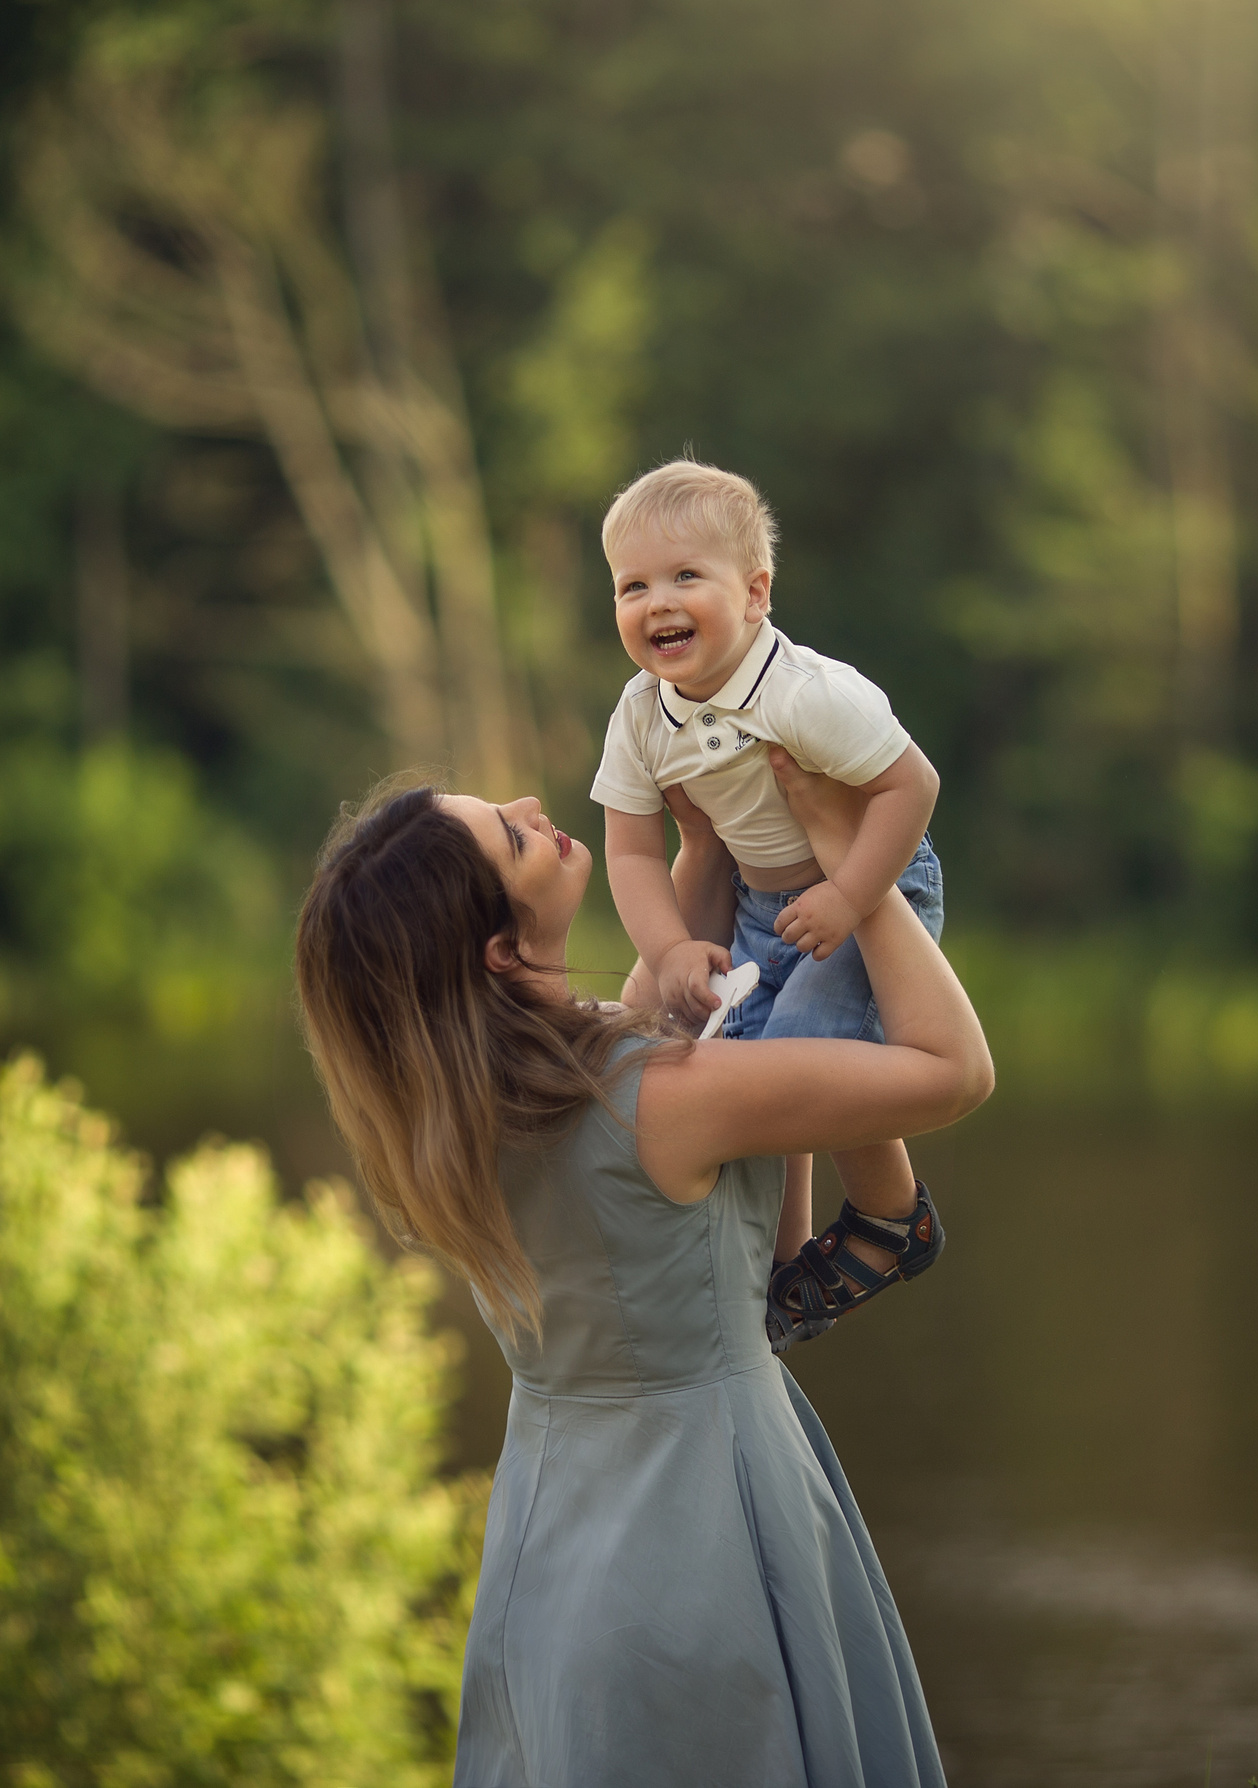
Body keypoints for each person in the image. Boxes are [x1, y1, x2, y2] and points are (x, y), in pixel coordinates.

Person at [293, 753, 991, 1788]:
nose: (535, 808)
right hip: (703, 1524)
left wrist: (708, 846)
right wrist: (858, 874)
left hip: (560, 1542)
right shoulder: (661, 1097)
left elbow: (676, 1002)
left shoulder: (464, 1118)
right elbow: (953, 1071)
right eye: (513, 835)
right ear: (494, 949)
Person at [590, 456, 948, 1349]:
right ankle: (785, 1257)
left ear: (755, 595)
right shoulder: (640, 716)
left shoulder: (806, 695)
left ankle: (892, 1217)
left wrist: (850, 895)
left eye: (685, 577)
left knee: (809, 1060)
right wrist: (671, 948)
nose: (657, 601)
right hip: (761, 904)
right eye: (633, 585)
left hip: (872, 883)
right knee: (752, 1076)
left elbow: (913, 788)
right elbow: (632, 849)